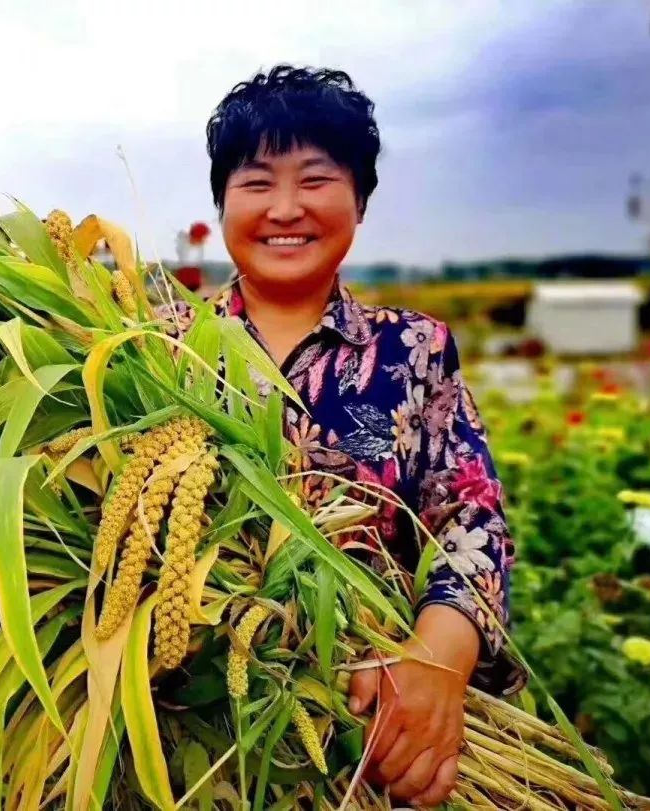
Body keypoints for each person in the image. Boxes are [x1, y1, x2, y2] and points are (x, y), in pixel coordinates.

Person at [166, 65, 524, 807]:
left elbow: (471, 517)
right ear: (222, 203)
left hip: (378, 734)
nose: (285, 208)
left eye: (317, 179)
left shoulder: (415, 350)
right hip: (190, 738)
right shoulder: (162, 352)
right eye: (256, 183)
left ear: (359, 200)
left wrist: (437, 658)